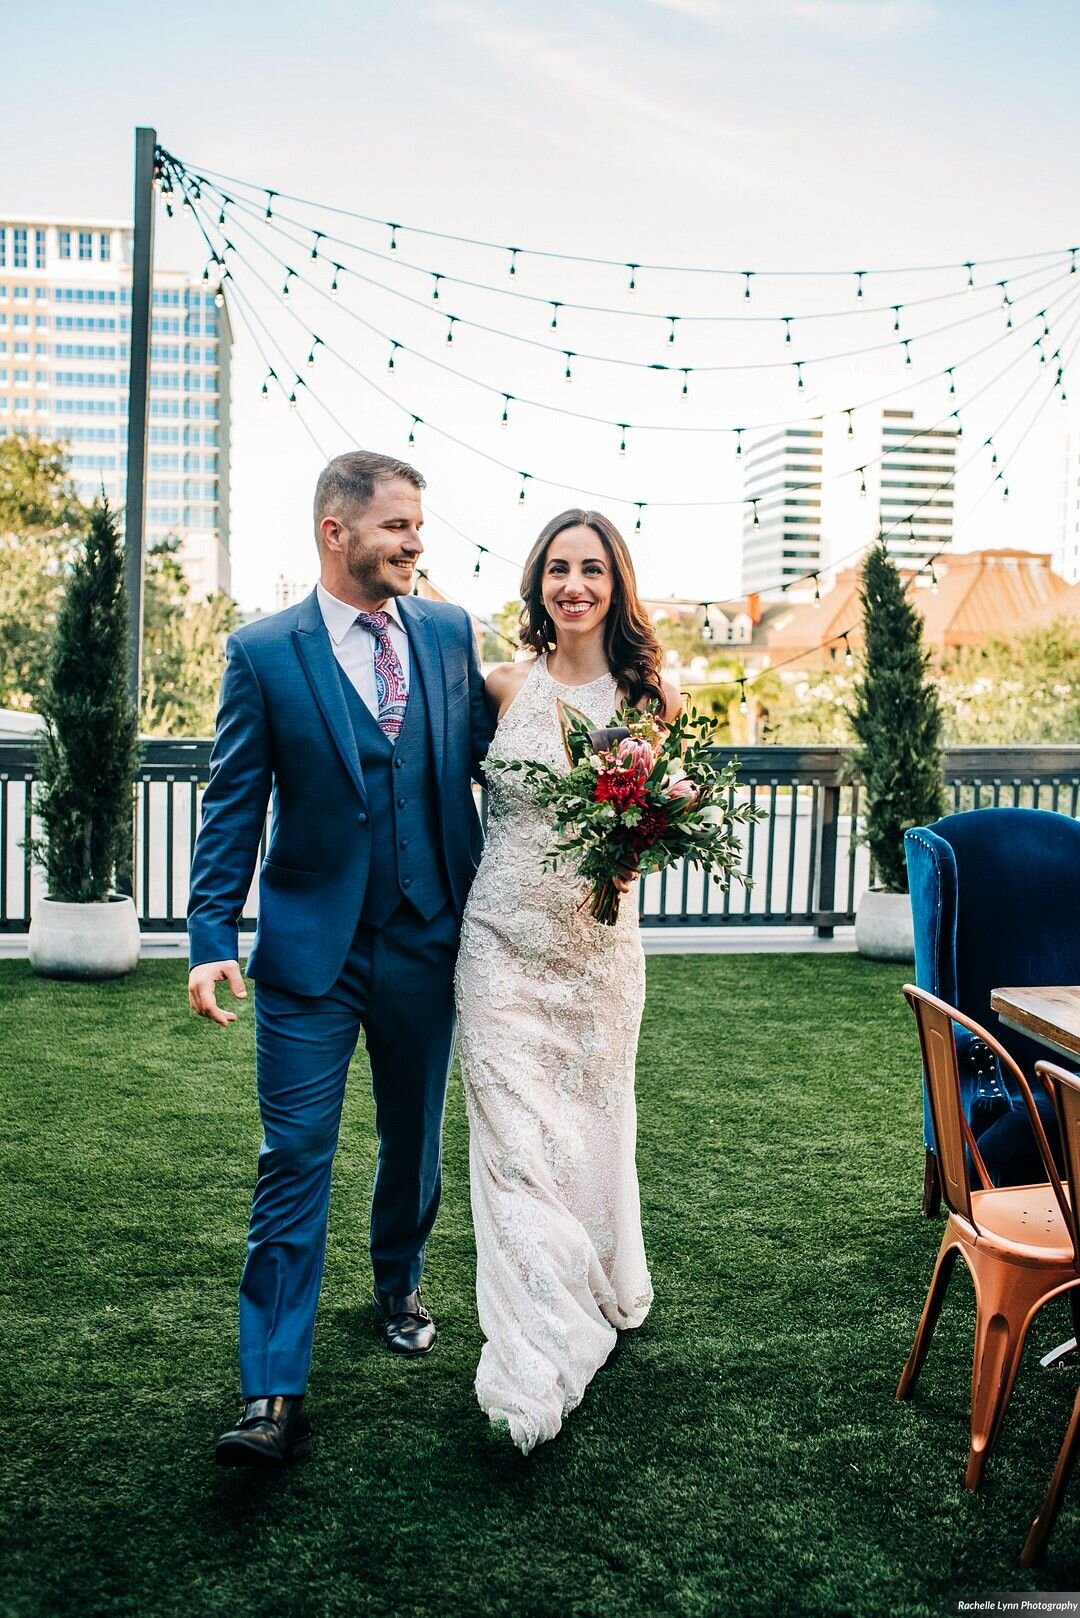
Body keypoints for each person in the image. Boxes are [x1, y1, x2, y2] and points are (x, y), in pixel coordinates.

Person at [187, 450, 494, 1466]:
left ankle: (398, 1276)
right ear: (337, 532)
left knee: (412, 1136)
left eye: (418, 525)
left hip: (427, 935)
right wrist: (206, 935)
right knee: (293, 1159)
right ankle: (272, 1389)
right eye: (399, 526)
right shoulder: (263, 653)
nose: (416, 543)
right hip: (309, 955)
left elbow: (517, 752)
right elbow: (233, 802)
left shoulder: (451, 635)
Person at [454, 508, 682, 1453]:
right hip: (498, 945)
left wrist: (638, 849)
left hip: (595, 956)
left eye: (591, 569)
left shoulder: (649, 701)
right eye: (558, 568)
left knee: (586, 1134)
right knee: (512, 1147)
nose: (573, 585)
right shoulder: (500, 686)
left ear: (616, 584)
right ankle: (531, 1347)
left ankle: (589, 1281)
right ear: (538, 582)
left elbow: (659, 821)